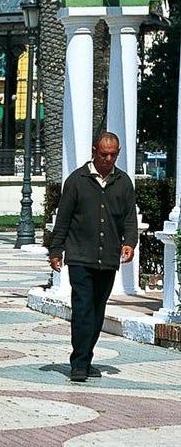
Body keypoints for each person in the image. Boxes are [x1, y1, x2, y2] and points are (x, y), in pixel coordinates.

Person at [49, 131, 139, 383]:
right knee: (82, 309)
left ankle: (86, 359)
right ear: (93, 151)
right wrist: (56, 250)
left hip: (108, 258)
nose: (108, 159)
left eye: (113, 155)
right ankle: (78, 363)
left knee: (97, 312)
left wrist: (130, 242)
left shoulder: (123, 182)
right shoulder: (77, 180)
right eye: (104, 154)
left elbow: (130, 220)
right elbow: (63, 218)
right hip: (79, 256)